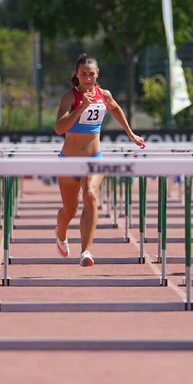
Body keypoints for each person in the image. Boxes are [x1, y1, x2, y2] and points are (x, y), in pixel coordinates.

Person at [54, 53, 146, 267]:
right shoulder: (69, 97)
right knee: (69, 210)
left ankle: (86, 251)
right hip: (68, 160)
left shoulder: (103, 95)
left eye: (91, 74)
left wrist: (131, 134)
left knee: (90, 195)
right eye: (83, 74)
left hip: (94, 158)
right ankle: (60, 232)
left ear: (97, 75)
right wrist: (80, 108)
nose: (87, 78)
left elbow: (115, 108)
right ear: (76, 75)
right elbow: (59, 128)